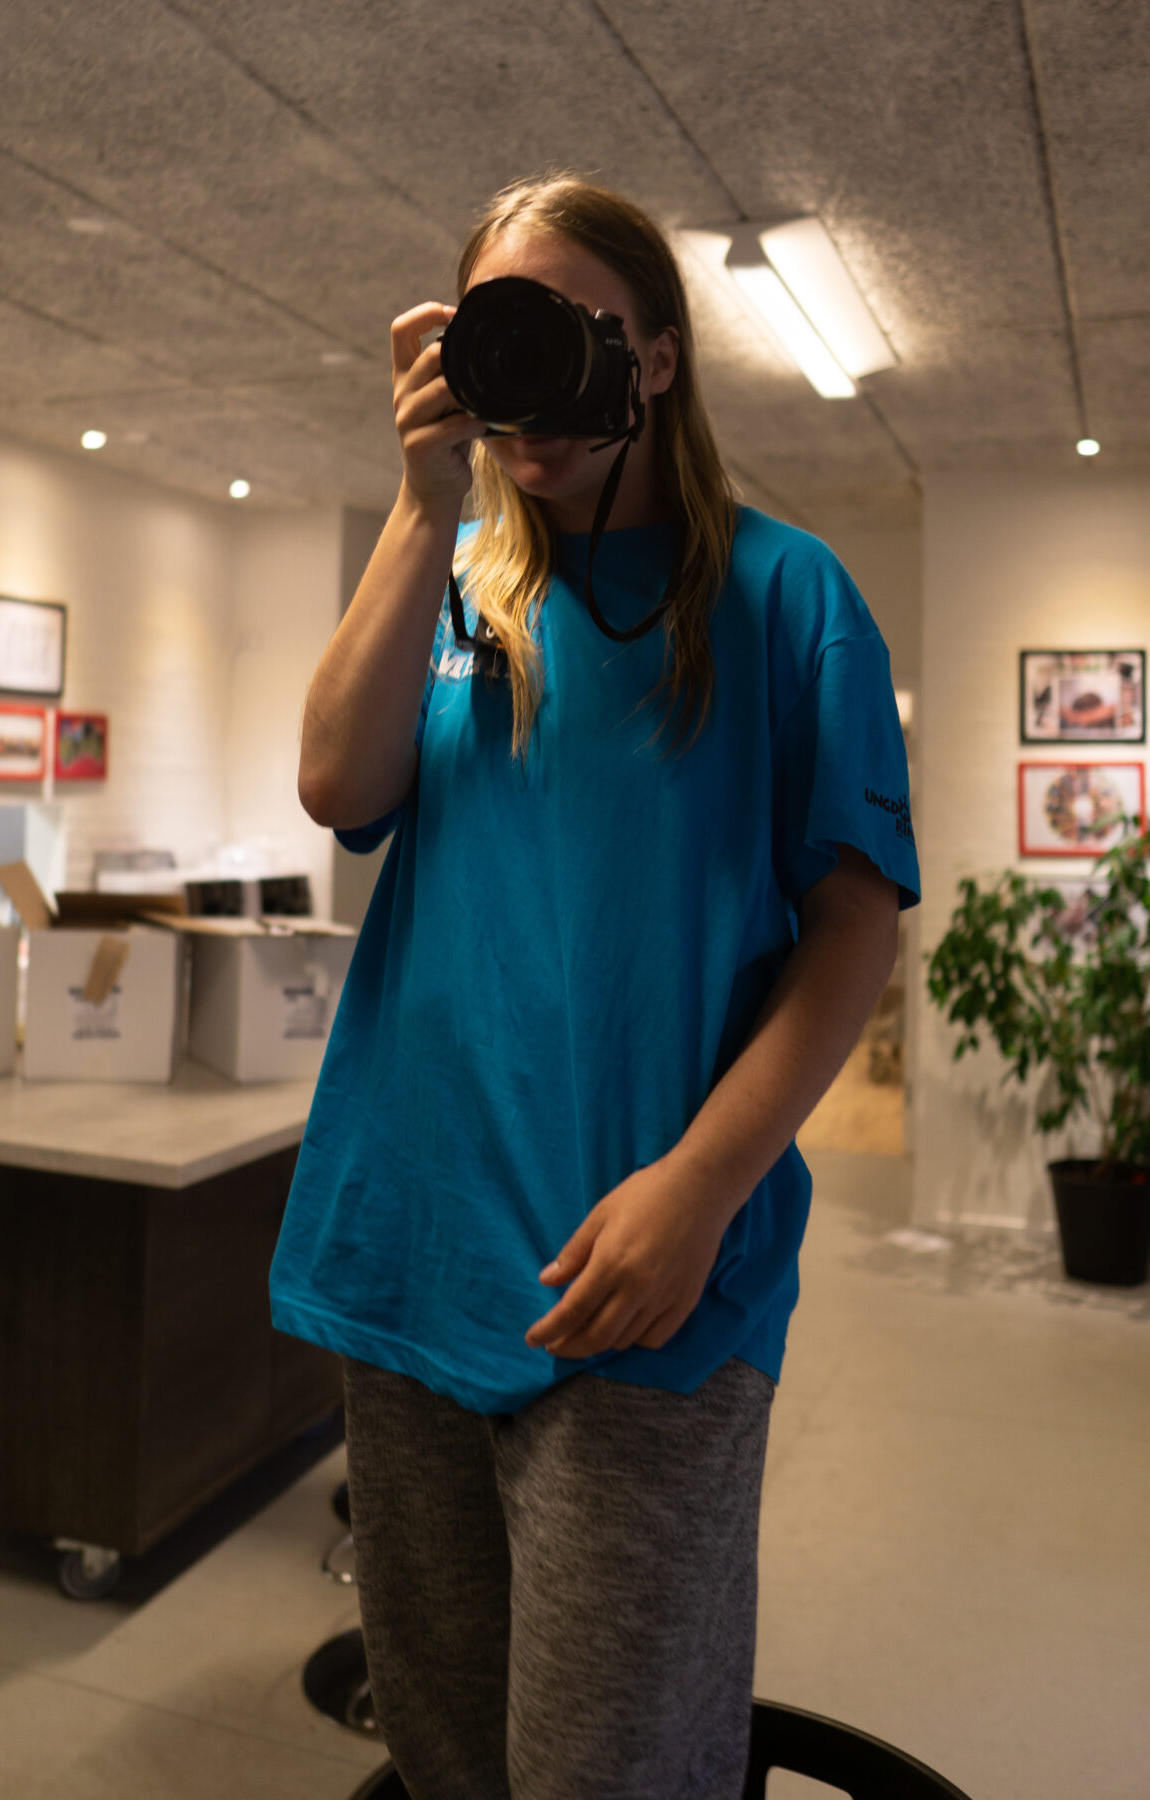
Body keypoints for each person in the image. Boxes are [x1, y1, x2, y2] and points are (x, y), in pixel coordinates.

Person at [270, 171, 920, 1800]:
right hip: (411, 1247)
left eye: (571, 335)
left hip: (640, 1278)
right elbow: (337, 786)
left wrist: (702, 1190)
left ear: (657, 359)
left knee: (605, 1770)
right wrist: (423, 501)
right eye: (503, 338)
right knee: (448, 1756)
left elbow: (855, 931)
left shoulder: (785, 597)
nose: (534, 387)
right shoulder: (455, 591)